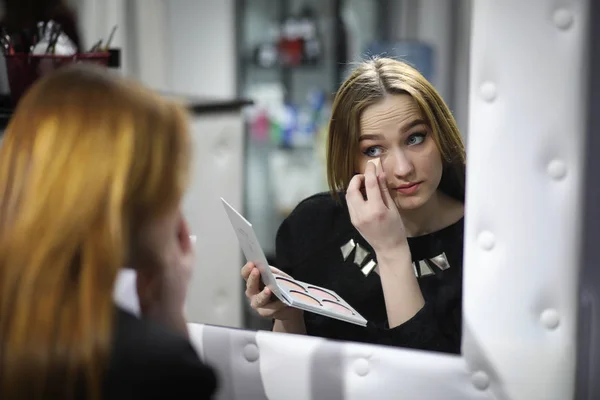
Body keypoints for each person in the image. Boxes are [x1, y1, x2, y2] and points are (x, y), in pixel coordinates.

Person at [0, 65, 217, 399]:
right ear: (127, 200)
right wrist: (170, 330)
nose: (178, 207)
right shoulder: (155, 367)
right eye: (170, 182)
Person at [242, 57, 466, 354]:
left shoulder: (482, 240)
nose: (402, 168)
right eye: (373, 149)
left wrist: (391, 249)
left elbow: (428, 382)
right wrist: (288, 313)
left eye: (415, 138)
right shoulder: (312, 226)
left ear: (441, 135)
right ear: (349, 158)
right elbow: (290, 366)